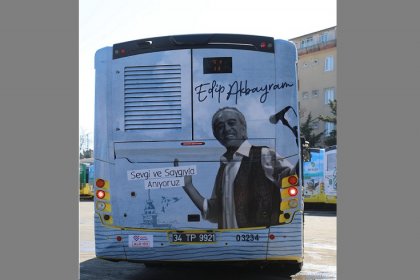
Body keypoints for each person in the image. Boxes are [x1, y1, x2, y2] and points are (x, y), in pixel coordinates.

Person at [182, 107, 298, 229]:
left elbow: (292, 178)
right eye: (220, 127)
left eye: (231, 123)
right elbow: (215, 213)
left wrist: (302, 154)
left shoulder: (263, 154)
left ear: (243, 129)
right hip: (228, 242)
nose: (226, 129)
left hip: (259, 241)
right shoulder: (224, 167)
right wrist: (189, 187)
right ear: (216, 136)